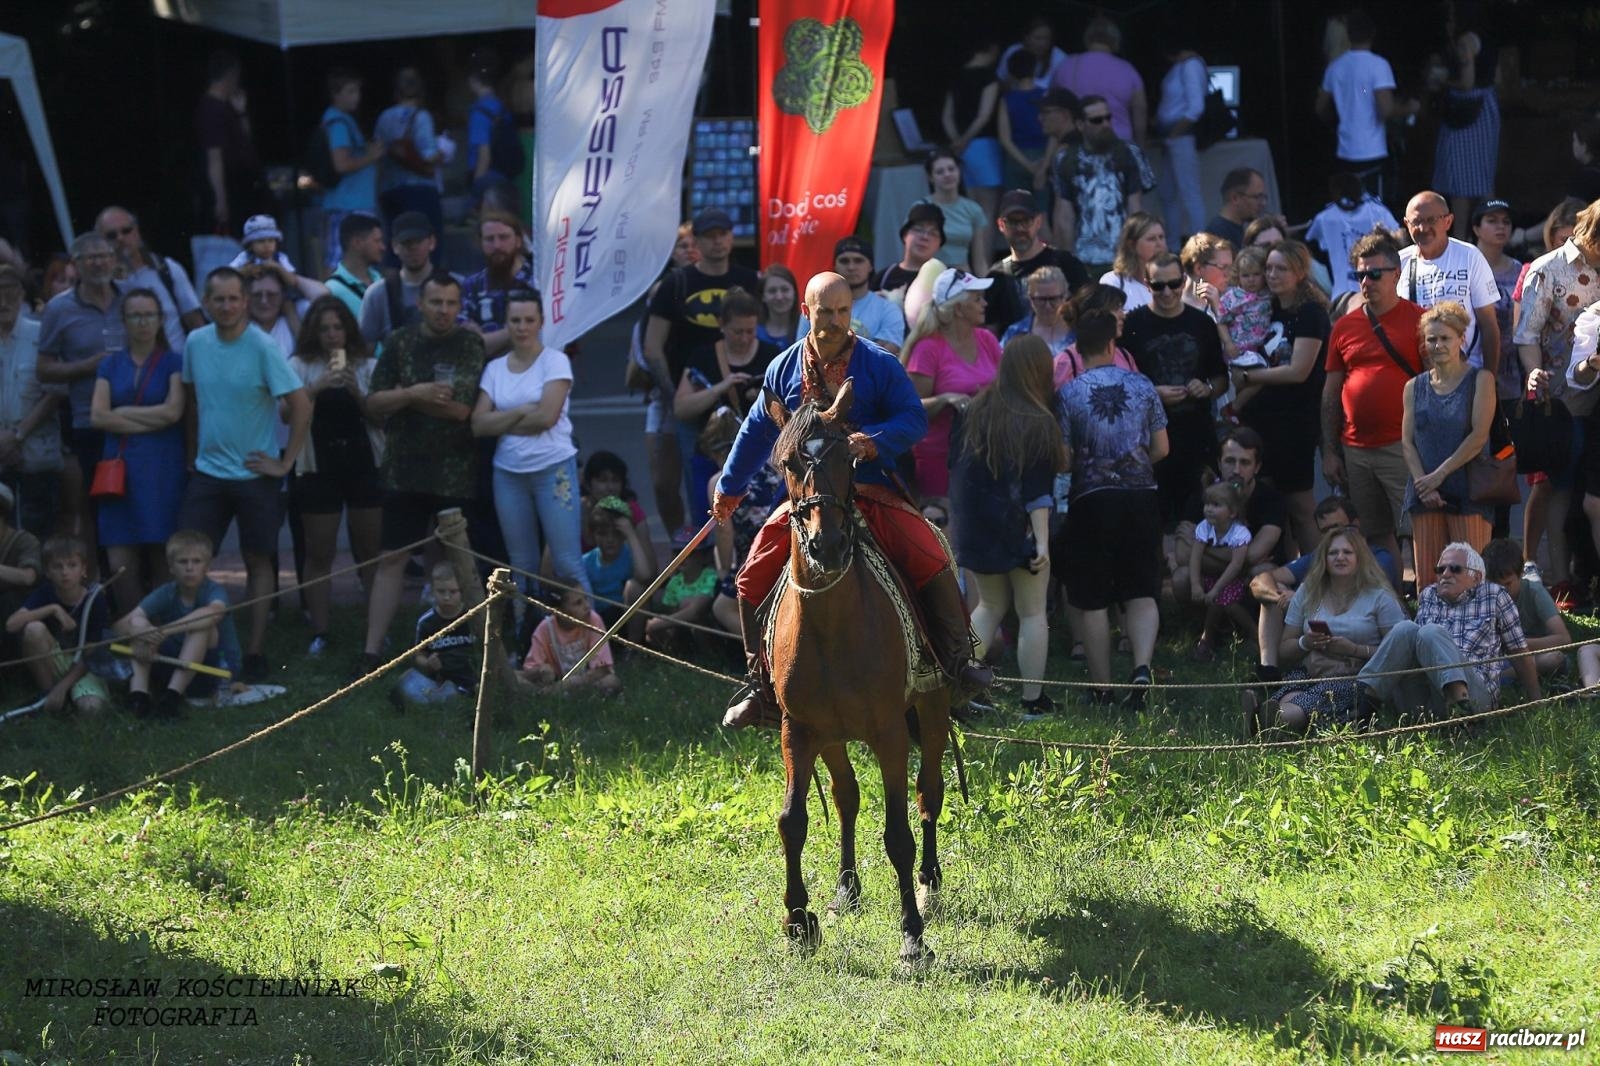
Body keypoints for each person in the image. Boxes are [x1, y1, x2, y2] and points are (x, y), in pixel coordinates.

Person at [714, 272, 990, 729]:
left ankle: (957, 664)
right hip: (806, 502)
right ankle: (761, 686)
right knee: (749, 578)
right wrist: (729, 488)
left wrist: (872, 441)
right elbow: (756, 430)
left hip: (870, 490)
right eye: (826, 312)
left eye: (843, 311)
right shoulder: (781, 369)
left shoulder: (880, 364)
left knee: (932, 553)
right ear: (807, 312)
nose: (836, 320)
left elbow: (913, 419)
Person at [177, 268, 310, 681]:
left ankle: (255, 650)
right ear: (206, 302)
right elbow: (193, 401)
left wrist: (285, 462)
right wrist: (191, 454)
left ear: (245, 301)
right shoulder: (196, 342)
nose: (227, 306)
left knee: (258, 559)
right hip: (208, 472)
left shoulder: (262, 346)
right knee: (189, 558)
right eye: (219, 299)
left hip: (255, 473)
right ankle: (196, 646)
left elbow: (301, 404)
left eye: (234, 298)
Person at [360, 273, 484, 675]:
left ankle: (477, 647)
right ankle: (371, 653)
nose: (443, 310)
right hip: (403, 472)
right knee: (391, 559)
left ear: (459, 306)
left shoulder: (469, 343)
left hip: (455, 473)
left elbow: (460, 409)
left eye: (450, 303)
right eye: (436, 302)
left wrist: (404, 396)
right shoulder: (399, 341)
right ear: (421, 304)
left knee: (458, 561)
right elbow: (373, 404)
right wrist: (415, 393)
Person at [948, 334, 1065, 718]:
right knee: (1032, 613)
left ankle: (953, 690)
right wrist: (1042, 542)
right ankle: (1032, 700)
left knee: (989, 606)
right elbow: (1038, 491)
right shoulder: (1039, 421)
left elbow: (956, 471)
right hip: (1020, 530)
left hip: (976, 528)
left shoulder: (972, 411)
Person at [1057, 308, 1167, 703]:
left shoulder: (1068, 393)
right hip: (1140, 496)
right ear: (1111, 344)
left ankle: (1102, 686)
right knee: (1141, 588)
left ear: (1078, 348)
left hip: (1090, 500)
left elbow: (1064, 459)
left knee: (1092, 598)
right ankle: (1141, 667)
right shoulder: (1142, 385)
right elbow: (1162, 448)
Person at [644, 207, 761, 532]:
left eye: (723, 234)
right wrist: (674, 396)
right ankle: (703, 549)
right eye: (709, 236)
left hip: (746, 400)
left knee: (755, 482)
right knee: (696, 487)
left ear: (732, 237)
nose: (717, 242)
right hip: (692, 400)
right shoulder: (676, 284)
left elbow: (764, 333)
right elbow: (652, 347)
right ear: (695, 240)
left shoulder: (749, 280)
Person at [473, 287, 588, 611]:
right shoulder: (495, 369)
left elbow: (546, 418)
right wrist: (523, 411)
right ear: (506, 324)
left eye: (528, 320)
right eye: (515, 320)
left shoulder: (555, 362)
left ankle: (592, 633)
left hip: (553, 468)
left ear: (541, 322)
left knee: (567, 561)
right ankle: (527, 631)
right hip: (508, 473)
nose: (522, 327)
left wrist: (501, 420)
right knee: (521, 563)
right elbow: (477, 424)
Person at [286, 296, 382, 657]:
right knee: (319, 552)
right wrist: (315, 386)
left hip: (364, 465)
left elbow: (381, 418)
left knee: (370, 553)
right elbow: (285, 415)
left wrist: (357, 390)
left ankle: (377, 630)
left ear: (349, 330)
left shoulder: (368, 365)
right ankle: (321, 631)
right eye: (324, 328)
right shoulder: (298, 365)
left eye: (338, 327)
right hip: (317, 468)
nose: (332, 335)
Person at [1321, 231, 1425, 565]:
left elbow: (1438, 385)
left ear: (1396, 274)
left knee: (1417, 529)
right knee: (1373, 532)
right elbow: (1330, 393)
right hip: (1356, 449)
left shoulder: (1420, 320)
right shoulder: (1344, 326)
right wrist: (1330, 452)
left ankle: (1426, 592)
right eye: (1360, 275)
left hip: (1403, 446)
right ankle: (1390, 592)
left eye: (1375, 274)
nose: (1366, 282)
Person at [1515, 198, 1600, 603]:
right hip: (1564, 395)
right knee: (1560, 484)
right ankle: (1561, 578)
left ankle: (1588, 574)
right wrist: (1534, 374)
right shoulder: (1547, 268)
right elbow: (1527, 334)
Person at [1246, 527, 1407, 733]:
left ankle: (1265, 722)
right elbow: (1284, 650)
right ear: (1324, 559)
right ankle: (1270, 720)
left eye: (1347, 552)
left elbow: (1396, 653)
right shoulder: (1308, 591)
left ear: (1360, 558)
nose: (1340, 557)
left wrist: (1353, 650)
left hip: (1355, 677)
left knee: (1309, 702)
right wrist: (1306, 643)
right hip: (1312, 670)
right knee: (1292, 694)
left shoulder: (1380, 596)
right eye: (1333, 553)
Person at [1356, 542, 1537, 719]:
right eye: (1440, 570)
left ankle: (1462, 711)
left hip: (1476, 696)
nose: (1445, 574)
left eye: (1455, 569)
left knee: (1431, 632)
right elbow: (1414, 647)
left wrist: (1536, 703)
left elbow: (1519, 652)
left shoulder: (1494, 595)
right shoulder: (1429, 595)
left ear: (1476, 577)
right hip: (1426, 697)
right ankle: (1362, 710)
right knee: (1405, 629)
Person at [89, 289, 186, 615]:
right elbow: (98, 416)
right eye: (135, 315)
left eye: (149, 315)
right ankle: (134, 630)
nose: (142, 322)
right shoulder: (109, 364)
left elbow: (173, 412)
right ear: (124, 320)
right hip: (120, 471)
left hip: (162, 469)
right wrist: (151, 418)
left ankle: (161, 630)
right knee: (120, 561)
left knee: (162, 555)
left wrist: (122, 414)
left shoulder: (174, 362)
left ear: (160, 319)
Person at [1231, 240, 1330, 555]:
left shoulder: (1310, 313)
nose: (1272, 275)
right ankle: (1287, 574)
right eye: (1269, 268)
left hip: (1293, 424)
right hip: (1259, 422)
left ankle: (1317, 574)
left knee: (1300, 507)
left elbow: (1299, 370)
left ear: (1300, 273)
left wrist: (1250, 378)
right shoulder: (1266, 308)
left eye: (1281, 269)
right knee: (1273, 509)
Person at [38, 232, 126, 575]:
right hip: (90, 423)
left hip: (139, 419)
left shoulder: (132, 297)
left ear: (114, 259)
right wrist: (86, 366)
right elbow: (44, 368)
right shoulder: (59, 308)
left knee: (139, 504)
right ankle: (100, 584)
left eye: (104, 256)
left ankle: (141, 586)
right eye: (91, 258)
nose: (99, 263)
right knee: (97, 509)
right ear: (76, 264)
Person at [1248, 495, 1401, 683]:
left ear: (1355, 525)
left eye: (1337, 527)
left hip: (1361, 653)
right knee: (1271, 587)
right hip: (1314, 629)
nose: (1333, 537)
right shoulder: (1322, 556)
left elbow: (1368, 589)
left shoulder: (1379, 558)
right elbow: (1260, 580)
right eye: (1325, 531)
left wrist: (1355, 651)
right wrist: (1279, 596)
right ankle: (1268, 673)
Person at [1122, 252, 1226, 522]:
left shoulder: (1202, 323)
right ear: (1147, 285)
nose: (1167, 292)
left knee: (1200, 520)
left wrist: (1207, 388)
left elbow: (1220, 378)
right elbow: (1120, 384)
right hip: (1148, 441)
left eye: (1174, 284)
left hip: (1197, 437)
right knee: (1155, 520)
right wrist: (1152, 394)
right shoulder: (1132, 325)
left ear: (1184, 281)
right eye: (1159, 285)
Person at [1402, 301, 1496, 589]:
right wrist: (1424, 484)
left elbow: (1479, 436)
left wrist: (1438, 476)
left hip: (1468, 491)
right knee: (1429, 582)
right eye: (1431, 339)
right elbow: (1407, 441)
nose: (1438, 345)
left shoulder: (1481, 379)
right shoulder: (1413, 386)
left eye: (1445, 338)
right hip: (1425, 494)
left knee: (1469, 579)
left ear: (1461, 339)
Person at [116, 529, 243, 718]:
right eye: (183, 562)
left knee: (201, 627)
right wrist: (140, 631)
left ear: (207, 566)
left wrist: (163, 632)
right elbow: (120, 627)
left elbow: (213, 613)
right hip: (174, 665)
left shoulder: (214, 591)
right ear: (171, 567)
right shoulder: (166, 592)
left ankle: (171, 699)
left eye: (196, 561)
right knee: (138, 624)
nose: (189, 568)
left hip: (215, 672)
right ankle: (139, 697)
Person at [905, 268, 1000, 500]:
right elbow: (910, 410)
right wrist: (945, 399)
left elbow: (1005, 383)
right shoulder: (927, 349)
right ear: (958, 308)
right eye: (977, 299)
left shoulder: (986, 339)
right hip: (939, 459)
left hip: (986, 455)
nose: (985, 304)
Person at [1173, 428, 1288, 602]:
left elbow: (1254, 555)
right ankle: (1200, 618)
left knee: (1262, 572)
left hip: (1248, 577)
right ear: (1219, 464)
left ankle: (1255, 619)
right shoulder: (1202, 497)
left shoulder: (1271, 499)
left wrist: (1198, 549)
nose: (1236, 470)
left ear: (1257, 467)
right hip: (1212, 575)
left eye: (1245, 463)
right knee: (1182, 577)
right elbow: (1182, 555)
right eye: (1229, 461)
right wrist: (1240, 560)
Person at [5, 535, 112, 716]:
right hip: (54, 660)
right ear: (47, 572)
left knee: (91, 709)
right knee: (33, 629)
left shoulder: (95, 599)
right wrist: (53, 609)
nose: (65, 572)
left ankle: (63, 695)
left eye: (72, 565)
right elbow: (11, 624)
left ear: (83, 569)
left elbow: (90, 655)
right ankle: (47, 695)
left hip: (83, 667)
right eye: (57, 566)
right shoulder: (45, 593)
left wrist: (63, 686)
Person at [1050, 96, 1156, 277]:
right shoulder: (1065, 159)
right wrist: (1067, 261)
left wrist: (1138, 255)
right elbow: (1064, 215)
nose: (1105, 124)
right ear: (1080, 124)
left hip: (1122, 256)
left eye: (1108, 118)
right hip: (1083, 256)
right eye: (1096, 120)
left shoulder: (1129, 153)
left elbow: (1136, 209)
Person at [1398, 191, 1501, 371]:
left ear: (1448, 221)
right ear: (1407, 224)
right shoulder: (1399, 263)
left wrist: (1489, 378)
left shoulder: (1470, 256)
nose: (1423, 228)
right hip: (1418, 375)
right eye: (1416, 221)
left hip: (1467, 371)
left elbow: (1489, 325)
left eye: (1431, 220)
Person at [0, 263, 62, 539]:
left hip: (37, 453)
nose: (3, 302)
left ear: (22, 294)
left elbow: (55, 391)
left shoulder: (40, 334)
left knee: (38, 535)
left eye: (10, 293)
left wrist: (17, 436)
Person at [1315, 11, 1401, 203]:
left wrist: (1338, 117)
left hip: (1345, 149)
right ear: (1373, 34)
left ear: (1348, 34)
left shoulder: (1335, 67)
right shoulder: (1379, 65)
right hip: (1372, 150)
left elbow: (1321, 108)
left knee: (1347, 205)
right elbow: (1386, 109)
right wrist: (1408, 108)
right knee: (1373, 208)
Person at [985, 189, 1091, 337]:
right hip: (1016, 350)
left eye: (1026, 221)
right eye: (1013, 222)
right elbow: (990, 336)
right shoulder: (996, 276)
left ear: (1038, 222)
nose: (1020, 228)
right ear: (1001, 225)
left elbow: (1089, 314)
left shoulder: (1067, 264)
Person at [1432, 20, 1501, 237]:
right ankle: (1494, 237)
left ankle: (1460, 238)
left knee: (1460, 183)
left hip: (1467, 113)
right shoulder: (1487, 39)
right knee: (1483, 180)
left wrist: (1442, 80)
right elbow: (1498, 77)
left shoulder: (1466, 42)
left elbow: (1467, 81)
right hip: (1484, 110)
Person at [95, 206, 205, 336]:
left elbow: (195, 322)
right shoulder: (100, 283)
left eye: (126, 231)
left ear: (137, 232)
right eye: (111, 235)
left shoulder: (167, 268)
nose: (120, 238)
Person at [317, 70, 385, 273]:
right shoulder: (338, 123)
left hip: (356, 203)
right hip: (347, 205)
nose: (356, 96)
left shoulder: (346, 120)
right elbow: (342, 163)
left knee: (364, 259)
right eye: (350, 91)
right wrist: (372, 156)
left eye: (357, 91)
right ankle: (332, 294)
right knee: (338, 259)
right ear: (335, 94)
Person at [373, 66, 444, 256]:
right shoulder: (422, 117)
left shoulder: (384, 118)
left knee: (395, 249)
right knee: (426, 249)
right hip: (419, 190)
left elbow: (377, 153)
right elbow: (429, 155)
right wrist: (443, 154)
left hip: (389, 190)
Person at [193, 50, 265, 234]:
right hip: (230, 186)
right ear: (230, 75)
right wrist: (220, 198)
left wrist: (241, 112)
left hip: (243, 185)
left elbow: (246, 139)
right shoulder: (211, 109)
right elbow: (214, 158)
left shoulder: (229, 106)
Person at [796, 237, 906, 355]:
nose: (851, 267)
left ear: (871, 266)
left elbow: (882, 356)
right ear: (835, 266)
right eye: (844, 261)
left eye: (858, 261)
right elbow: (803, 350)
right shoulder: (815, 307)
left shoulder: (888, 310)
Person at [391, 562, 478, 709]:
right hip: (440, 679)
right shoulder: (427, 622)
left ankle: (460, 696)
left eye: (452, 592)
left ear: (461, 591)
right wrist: (427, 663)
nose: (446, 597)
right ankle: (444, 697)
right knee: (405, 682)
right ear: (432, 591)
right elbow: (418, 655)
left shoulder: (472, 617)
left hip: (471, 676)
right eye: (441, 591)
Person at [1187, 479, 1256, 661]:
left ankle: (1210, 639)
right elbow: (1195, 557)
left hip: (1233, 580)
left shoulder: (1239, 533)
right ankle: (1209, 635)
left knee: (1224, 603)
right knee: (1215, 600)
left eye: (1216, 505)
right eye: (1207, 504)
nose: (1209, 509)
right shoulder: (1204, 527)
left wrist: (1216, 589)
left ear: (1232, 512)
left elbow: (1236, 565)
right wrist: (1195, 584)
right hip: (1210, 577)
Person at [1050, 16, 1146, 146]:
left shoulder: (1066, 65)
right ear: (1115, 41)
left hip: (1077, 143)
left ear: (1087, 39)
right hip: (1119, 143)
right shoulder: (1127, 70)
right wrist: (1140, 145)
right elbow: (1140, 111)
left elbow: (1052, 105)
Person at [1482, 538, 1569, 679]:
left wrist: (1518, 645)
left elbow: (1564, 639)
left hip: (1535, 653)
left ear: (1521, 573)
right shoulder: (1484, 595)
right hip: (1502, 658)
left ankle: (1501, 677)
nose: (1500, 591)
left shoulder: (1535, 592)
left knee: (1554, 658)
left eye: (1507, 584)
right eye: (1495, 585)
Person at [1304, 174, 1400, 301]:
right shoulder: (1325, 219)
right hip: (1347, 291)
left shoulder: (1326, 218)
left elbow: (1398, 241)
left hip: (1364, 289)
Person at [459, 210, 536, 358]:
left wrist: (489, 339)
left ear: (518, 241)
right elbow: (470, 347)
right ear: (480, 243)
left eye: (504, 237)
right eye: (489, 239)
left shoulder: (537, 282)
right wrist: (519, 331)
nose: (497, 245)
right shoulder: (471, 286)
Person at [1154, 37, 1209, 242]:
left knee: (1189, 192)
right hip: (1172, 136)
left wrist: (1175, 133)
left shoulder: (1190, 65)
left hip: (1181, 135)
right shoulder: (1181, 66)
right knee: (1167, 192)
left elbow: (1196, 107)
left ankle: (1201, 247)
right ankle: (1173, 244)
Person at [942, 41, 1003, 224]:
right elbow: (984, 115)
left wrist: (957, 141)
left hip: (963, 150)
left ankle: (976, 244)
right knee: (988, 210)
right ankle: (984, 245)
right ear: (991, 50)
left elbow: (947, 116)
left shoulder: (957, 77)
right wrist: (965, 140)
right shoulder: (989, 77)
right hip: (984, 145)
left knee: (973, 207)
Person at [521, 586, 621, 697]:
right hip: (557, 681)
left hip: (587, 681)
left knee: (611, 681)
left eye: (585, 599)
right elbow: (529, 671)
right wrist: (542, 670)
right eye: (578, 603)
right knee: (524, 685)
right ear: (559, 611)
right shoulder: (545, 629)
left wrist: (570, 683)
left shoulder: (593, 620)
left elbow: (602, 668)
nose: (587, 606)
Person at [1471, 199, 1523, 402]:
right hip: (1471, 365)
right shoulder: (1465, 266)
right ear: (1476, 228)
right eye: (1492, 221)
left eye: (1506, 221)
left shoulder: (1519, 270)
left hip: (1510, 371)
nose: (1501, 226)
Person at [359, 211, 437, 344]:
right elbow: (361, 347)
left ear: (432, 242)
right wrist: (337, 357)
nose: (413, 248)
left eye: (418, 241)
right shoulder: (377, 293)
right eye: (406, 243)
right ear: (395, 246)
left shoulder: (456, 287)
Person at [1052, 282, 1139, 388]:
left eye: (1122, 309)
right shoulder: (1065, 363)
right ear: (1095, 314)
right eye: (1116, 309)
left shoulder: (1124, 356)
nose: (1123, 316)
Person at [583, 499, 652, 630]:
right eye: (603, 534)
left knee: (635, 587)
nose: (610, 540)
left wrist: (631, 535)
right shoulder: (587, 561)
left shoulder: (631, 554)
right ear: (594, 535)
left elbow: (645, 576)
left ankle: (633, 642)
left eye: (616, 533)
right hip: (599, 620)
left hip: (626, 616)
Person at [920, 149, 990, 274]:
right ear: (930, 178)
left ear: (959, 172)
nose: (947, 174)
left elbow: (979, 260)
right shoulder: (921, 208)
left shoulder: (973, 209)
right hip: (931, 276)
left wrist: (985, 284)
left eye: (951, 169)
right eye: (940, 172)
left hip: (963, 275)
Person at [996, 50, 1050, 205]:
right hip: (1043, 155)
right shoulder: (1046, 96)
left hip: (1016, 159)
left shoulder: (1007, 100)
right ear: (1035, 68)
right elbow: (1054, 133)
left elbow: (1004, 138)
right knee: (1043, 210)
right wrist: (1044, 165)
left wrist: (1027, 164)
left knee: (1017, 211)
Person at [1000, 267, 1073, 359]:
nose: (1047, 306)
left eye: (1053, 299)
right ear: (1030, 298)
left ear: (1065, 296)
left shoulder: (1079, 330)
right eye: (1041, 299)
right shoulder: (1015, 332)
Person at [1099, 212, 1167, 310]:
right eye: (1151, 239)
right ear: (1131, 245)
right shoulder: (1113, 282)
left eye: (1161, 237)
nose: (1159, 244)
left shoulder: (1178, 281)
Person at [325, 212, 386, 320]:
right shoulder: (332, 290)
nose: (382, 247)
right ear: (357, 243)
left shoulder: (381, 281)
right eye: (377, 241)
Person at [877, 202, 946, 297]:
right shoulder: (883, 278)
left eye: (932, 233)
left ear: (939, 244)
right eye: (919, 230)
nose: (925, 237)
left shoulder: (946, 280)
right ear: (905, 235)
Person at [1219, 245, 1272, 363]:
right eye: (1245, 275)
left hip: (1263, 350)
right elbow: (1221, 322)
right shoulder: (1233, 296)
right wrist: (1228, 343)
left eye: (1256, 274)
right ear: (1238, 275)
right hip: (1238, 350)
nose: (1251, 279)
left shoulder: (1268, 294)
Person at [1202, 169, 1268, 249]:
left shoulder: (1237, 230)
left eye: (1263, 197)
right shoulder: (1217, 234)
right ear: (1235, 198)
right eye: (1257, 197)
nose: (1263, 203)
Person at [997, 17, 1067, 85]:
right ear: (1026, 38)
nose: (1043, 44)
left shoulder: (1059, 57)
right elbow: (1001, 78)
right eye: (1038, 38)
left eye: (1046, 39)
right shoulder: (1013, 50)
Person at [757, 264, 800, 350]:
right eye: (772, 291)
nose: (779, 297)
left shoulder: (806, 328)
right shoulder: (753, 331)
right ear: (762, 296)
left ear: (794, 293)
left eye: (785, 290)